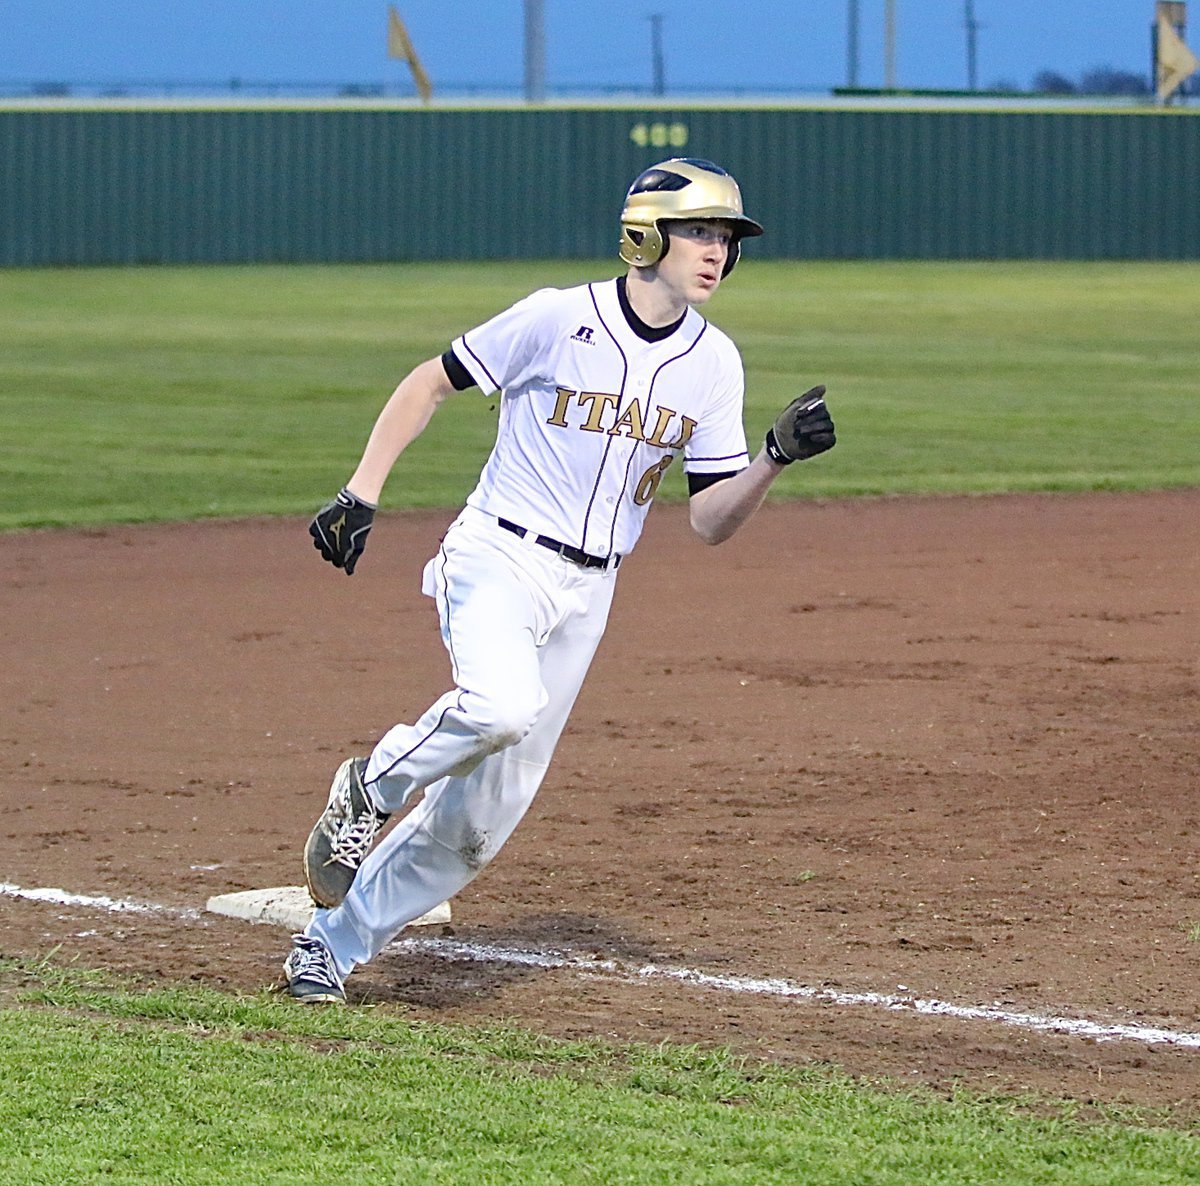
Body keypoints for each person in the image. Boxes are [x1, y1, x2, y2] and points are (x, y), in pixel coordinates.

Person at [283, 157, 836, 1003]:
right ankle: (370, 787)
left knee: (477, 829)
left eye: (727, 236)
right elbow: (432, 381)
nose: (716, 250)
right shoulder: (556, 318)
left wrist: (773, 458)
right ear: (644, 234)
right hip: (499, 554)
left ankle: (329, 945)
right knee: (502, 705)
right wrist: (362, 490)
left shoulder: (713, 364)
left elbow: (708, 520)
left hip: (591, 592)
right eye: (698, 229)